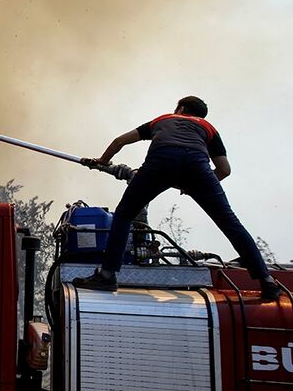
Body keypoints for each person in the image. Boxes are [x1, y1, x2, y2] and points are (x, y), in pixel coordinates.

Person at [73, 95, 281, 301]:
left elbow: (120, 141)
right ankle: (267, 281)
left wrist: (103, 160)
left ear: (180, 109)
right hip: (197, 168)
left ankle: (107, 275)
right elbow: (224, 170)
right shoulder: (208, 128)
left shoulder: (163, 120)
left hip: (160, 163)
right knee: (230, 223)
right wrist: (194, 186)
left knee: (124, 215)